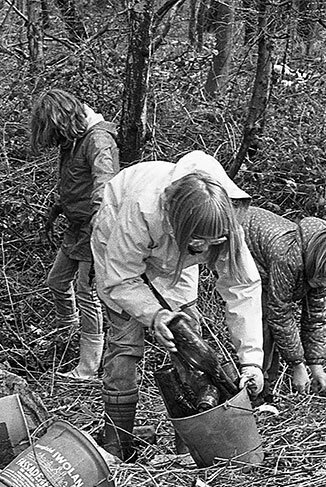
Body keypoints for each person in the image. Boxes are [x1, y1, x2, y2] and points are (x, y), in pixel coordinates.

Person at [91, 150, 265, 462]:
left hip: (177, 263)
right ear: (179, 223)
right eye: (202, 242)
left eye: (214, 243)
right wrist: (154, 314)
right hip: (118, 250)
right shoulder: (141, 207)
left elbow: (242, 286)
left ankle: (190, 443)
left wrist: (251, 360)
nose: (209, 249)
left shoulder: (221, 217)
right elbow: (121, 278)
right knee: (125, 344)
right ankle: (118, 443)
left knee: (188, 339)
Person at [30, 89, 118, 380]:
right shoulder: (73, 140)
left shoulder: (98, 139)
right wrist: (57, 208)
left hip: (94, 229)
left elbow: (104, 183)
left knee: (87, 292)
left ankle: (89, 366)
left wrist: (97, 226)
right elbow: (75, 181)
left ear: (64, 120)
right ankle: (67, 336)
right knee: (57, 282)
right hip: (75, 228)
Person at [244, 206, 326, 401]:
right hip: (242, 244)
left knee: (273, 326)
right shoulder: (287, 256)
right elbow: (279, 313)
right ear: (315, 261)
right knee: (263, 324)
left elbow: (315, 318)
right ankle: (255, 391)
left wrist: (316, 367)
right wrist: (297, 365)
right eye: (323, 277)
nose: (324, 284)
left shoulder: (321, 270)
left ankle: (265, 392)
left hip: (266, 263)